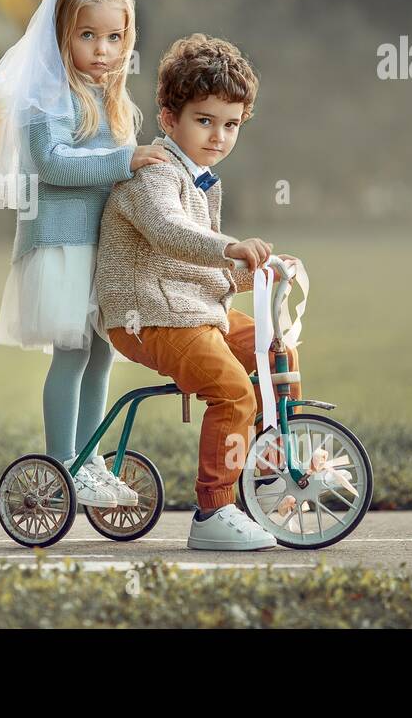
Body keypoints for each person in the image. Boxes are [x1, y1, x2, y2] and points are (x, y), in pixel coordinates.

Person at [0, 0, 170, 508]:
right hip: (61, 245)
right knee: (72, 354)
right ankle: (61, 464)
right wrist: (126, 159)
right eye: (87, 35)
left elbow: (115, 171)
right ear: (62, 35)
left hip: (102, 249)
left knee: (101, 354)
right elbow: (55, 165)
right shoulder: (44, 100)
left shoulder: (113, 99)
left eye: (114, 37)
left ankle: (90, 460)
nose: (102, 50)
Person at [95, 33, 302, 550]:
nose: (219, 136)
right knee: (232, 390)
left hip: (193, 310)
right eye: (204, 121)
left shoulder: (202, 179)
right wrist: (233, 248)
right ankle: (213, 512)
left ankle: (268, 473)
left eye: (231, 124)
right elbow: (169, 233)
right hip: (150, 317)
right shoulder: (154, 175)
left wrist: (258, 271)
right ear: (169, 119)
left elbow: (201, 269)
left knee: (276, 351)